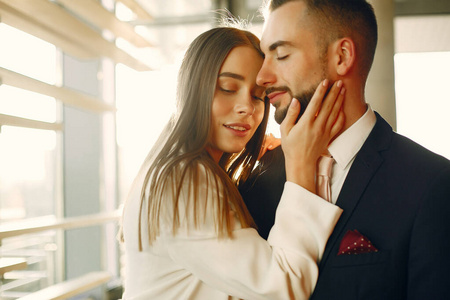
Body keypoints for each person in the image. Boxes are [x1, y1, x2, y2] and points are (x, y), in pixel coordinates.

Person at [240, 0, 450, 299]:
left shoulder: (432, 184)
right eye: (264, 56)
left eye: (281, 54)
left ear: (342, 56)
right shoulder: (254, 181)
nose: (262, 77)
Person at [120, 26, 345, 299]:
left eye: (257, 96)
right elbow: (284, 285)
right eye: (228, 88)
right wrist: (300, 167)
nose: (247, 107)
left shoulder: (172, 167)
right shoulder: (184, 179)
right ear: (193, 89)